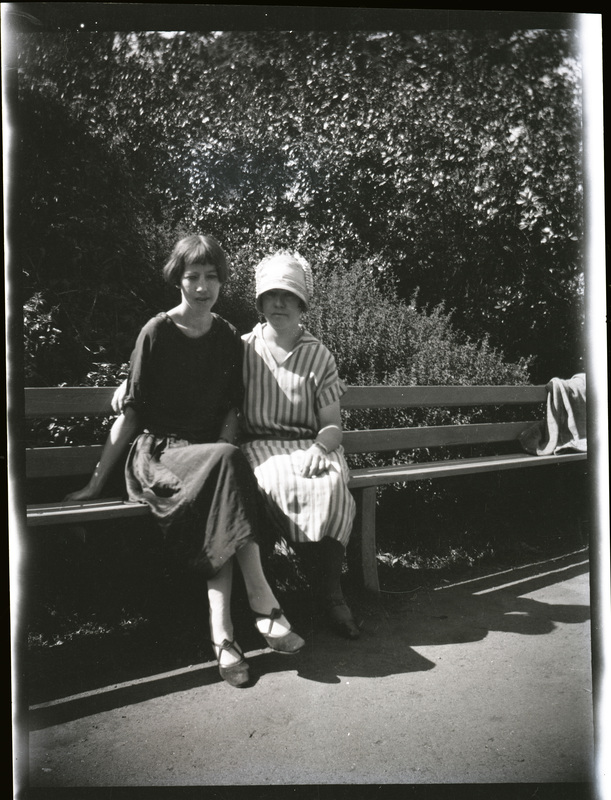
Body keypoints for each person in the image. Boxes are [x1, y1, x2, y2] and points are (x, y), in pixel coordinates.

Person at [65, 234, 304, 688]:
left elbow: (232, 409)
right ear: (178, 279)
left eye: (212, 277)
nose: (202, 286)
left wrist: (218, 450)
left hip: (208, 461)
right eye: (193, 276)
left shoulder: (228, 336)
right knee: (226, 468)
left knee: (224, 474)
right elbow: (131, 415)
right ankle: (262, 603)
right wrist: (96, 483)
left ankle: (224, 638)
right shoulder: (156, 331)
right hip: (157, 458)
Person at [239, 251, 361, 640]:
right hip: (261, 446)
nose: (279, 303)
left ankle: (330, 593)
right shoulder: (242, 348)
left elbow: (331, 427)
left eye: (288, 296)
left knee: (329, 485)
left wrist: (318, 450)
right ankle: (267, 597)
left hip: (311, 446)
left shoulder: (318, 355)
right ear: (260, 303)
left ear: (301, 303)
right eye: (271, 296)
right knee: (275, 481)